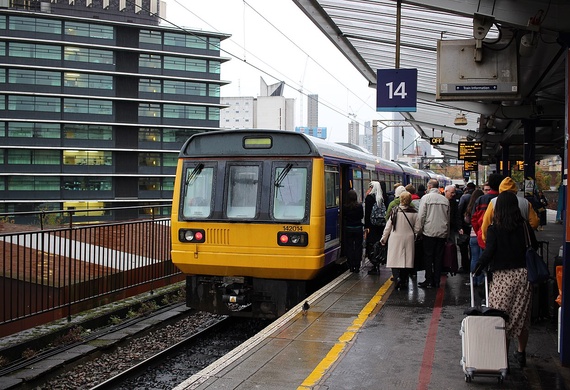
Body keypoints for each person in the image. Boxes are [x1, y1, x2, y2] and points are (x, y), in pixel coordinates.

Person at [474, 191, 538, 368]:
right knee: (522, 316)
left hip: (503, 278)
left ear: (498, 208)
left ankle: (503, 358)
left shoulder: (495, 229)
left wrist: (478, 267)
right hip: (524, 276)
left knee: (500, 316)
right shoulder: (525, 226)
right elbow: (534, 246)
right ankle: (520, 352)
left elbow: (489, 252)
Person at [480, 177, 539, 244]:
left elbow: (486, 222)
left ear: (500, 189)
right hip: (520, 242)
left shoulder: (493, 202)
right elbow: (534, 223)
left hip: (500, 241)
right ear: (515, 190)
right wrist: (525, 231)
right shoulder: (525, 202)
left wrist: (485, 239)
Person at [380, 191, 419, 290]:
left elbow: (388, 227)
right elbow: (418, 228)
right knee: (406, 261)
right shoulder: (414, 212)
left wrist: (383, 239)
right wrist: (413, 233)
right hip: (409, 238)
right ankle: (404, 280)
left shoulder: (395, 211)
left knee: (395, 260)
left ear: (400, 200)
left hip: (395, 238)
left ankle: (397, 278)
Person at [415, 178, 449, 288]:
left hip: (429, 232)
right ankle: (437, 280)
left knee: (428, 257)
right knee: (438, 257)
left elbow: (421, 217)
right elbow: (448, 219)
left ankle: (428, 279)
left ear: (429, 187)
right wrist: (447, 234)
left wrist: (418, 231)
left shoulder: (425, 198)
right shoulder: (445, 200)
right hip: (442, 232)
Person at [471, 174, 503, 250]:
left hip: (483, 238)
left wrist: (479, 232)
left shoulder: (480, 199)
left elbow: (474, 219)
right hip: (501, 238)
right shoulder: (504, 199)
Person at [364, 181, 385, 275]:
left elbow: (367, 214)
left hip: (371, 227)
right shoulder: (380, 198)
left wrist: (366, 227)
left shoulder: (369, 198)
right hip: (379, 226)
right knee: (377, 245)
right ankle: (377, 263)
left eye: (370, 187)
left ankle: (374, 265)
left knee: (371, 245)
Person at [464, 189, 484, 286]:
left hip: (473, 235)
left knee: (474, 259)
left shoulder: (471, 205)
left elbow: (468, 220)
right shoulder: (484, 204)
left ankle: (473, 280)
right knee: (481, 259)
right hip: (482, 234)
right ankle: (480, 280)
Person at [343, 189, 364, 273]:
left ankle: (351, 266)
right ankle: (357, 266)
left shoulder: (345, 207)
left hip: (349, 228)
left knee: (350, 247)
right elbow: (361, 216)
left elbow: (344, 217)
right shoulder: (359, 206)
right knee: (358, 247)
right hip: (358, 228)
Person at [457, 182, 476, 272]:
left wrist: (459, 226)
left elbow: (459, 211)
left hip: (464, 226)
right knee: (474, 248)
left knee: (463, 247)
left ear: (467, 188)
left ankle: (465, 266)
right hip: (475, 226)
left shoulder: (464, 197)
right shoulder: (478, 196)